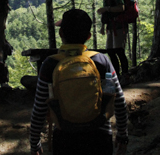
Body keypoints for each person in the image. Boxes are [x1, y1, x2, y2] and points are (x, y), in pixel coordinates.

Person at [29, 9, 129, 155]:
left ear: (61, 34)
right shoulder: (101, 61)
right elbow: (118, 100)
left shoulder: (50, 65)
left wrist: (34, 143)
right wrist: (122, 134)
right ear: (88, 36)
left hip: (65, 137)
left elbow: (39, 108)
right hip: (100, 136)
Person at [94, 0, 129, 84]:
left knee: (119, 50)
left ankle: (125, 76)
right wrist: (103, 26)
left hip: (119, 26)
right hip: (111, 26)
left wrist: (106, 9)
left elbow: (121, 8)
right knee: (110, 50)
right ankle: (117, 76)